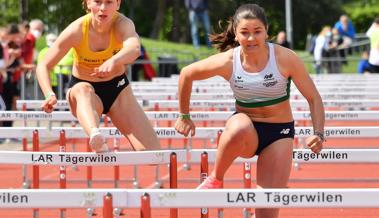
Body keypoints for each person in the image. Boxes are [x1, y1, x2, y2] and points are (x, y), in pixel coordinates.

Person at [174, 4, 325, 218]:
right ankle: (216, 179)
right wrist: (184, 115)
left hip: (279, 134)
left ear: (267, 31)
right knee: (239, 126)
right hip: (246, 130)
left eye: (257, 32)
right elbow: (186, 74)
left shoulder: (284, 58)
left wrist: (318, 133)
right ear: (236, 33)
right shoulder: (229, 61)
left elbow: (314, 98)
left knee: (267, 212)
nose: (251, 38)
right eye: (245, 33)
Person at [36, 0, 160, 152]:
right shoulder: (77, 30)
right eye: (98, 2)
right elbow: (43, 65)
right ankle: (95, 134)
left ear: (118, 4)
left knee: (152, 153)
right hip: (83, 91)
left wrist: (114, 60)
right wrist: (48, 93)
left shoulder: (123, 24)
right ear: (88, 3)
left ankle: (98, 137)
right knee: (83, 90)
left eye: (109, 2)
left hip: (118, 90)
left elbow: (134, 48)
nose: (103, 8)